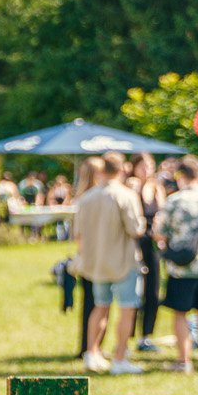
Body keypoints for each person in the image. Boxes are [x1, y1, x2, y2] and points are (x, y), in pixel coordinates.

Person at [73, 156, 145, 375]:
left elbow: (78, 233)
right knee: (127, 309)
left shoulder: (87, 198)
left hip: (97, 263)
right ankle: (120, 358)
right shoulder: (126, 195)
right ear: (122, 169)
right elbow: (135, 228)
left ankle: (92, 353)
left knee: (100, 306)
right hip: (123, 261)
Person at [155, 157, 198, 374]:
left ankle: (183, 361)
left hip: (182, 266)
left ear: (180, 176)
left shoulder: (175, 200)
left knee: (180, 314)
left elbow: (160, 231)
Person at [127, 153, 163, 355]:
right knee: (133, 290)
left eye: (150, 165)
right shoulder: (131, 187)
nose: (146, 169)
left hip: (153, 244)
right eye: (142, 166)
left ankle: (146, 335)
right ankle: (127, 335)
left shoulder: (156, 187)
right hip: (135, 243)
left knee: (153, 290)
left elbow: (163, 212)